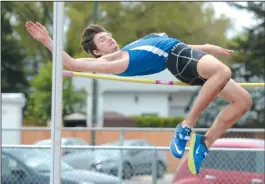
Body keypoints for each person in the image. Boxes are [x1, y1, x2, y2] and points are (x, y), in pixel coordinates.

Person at [25, 21, 252, 175]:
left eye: (109, 36)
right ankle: (186, 125)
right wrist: (47, 40)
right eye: (103, 40)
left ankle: (204, 142)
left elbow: (176, 44)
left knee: (243, 101)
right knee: (223, 72)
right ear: (96, 52)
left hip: (185, 58)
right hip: (179, 58)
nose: (110, 40)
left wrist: (207, 47)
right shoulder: (115, 62)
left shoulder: (130, 48)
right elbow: (72, 63)